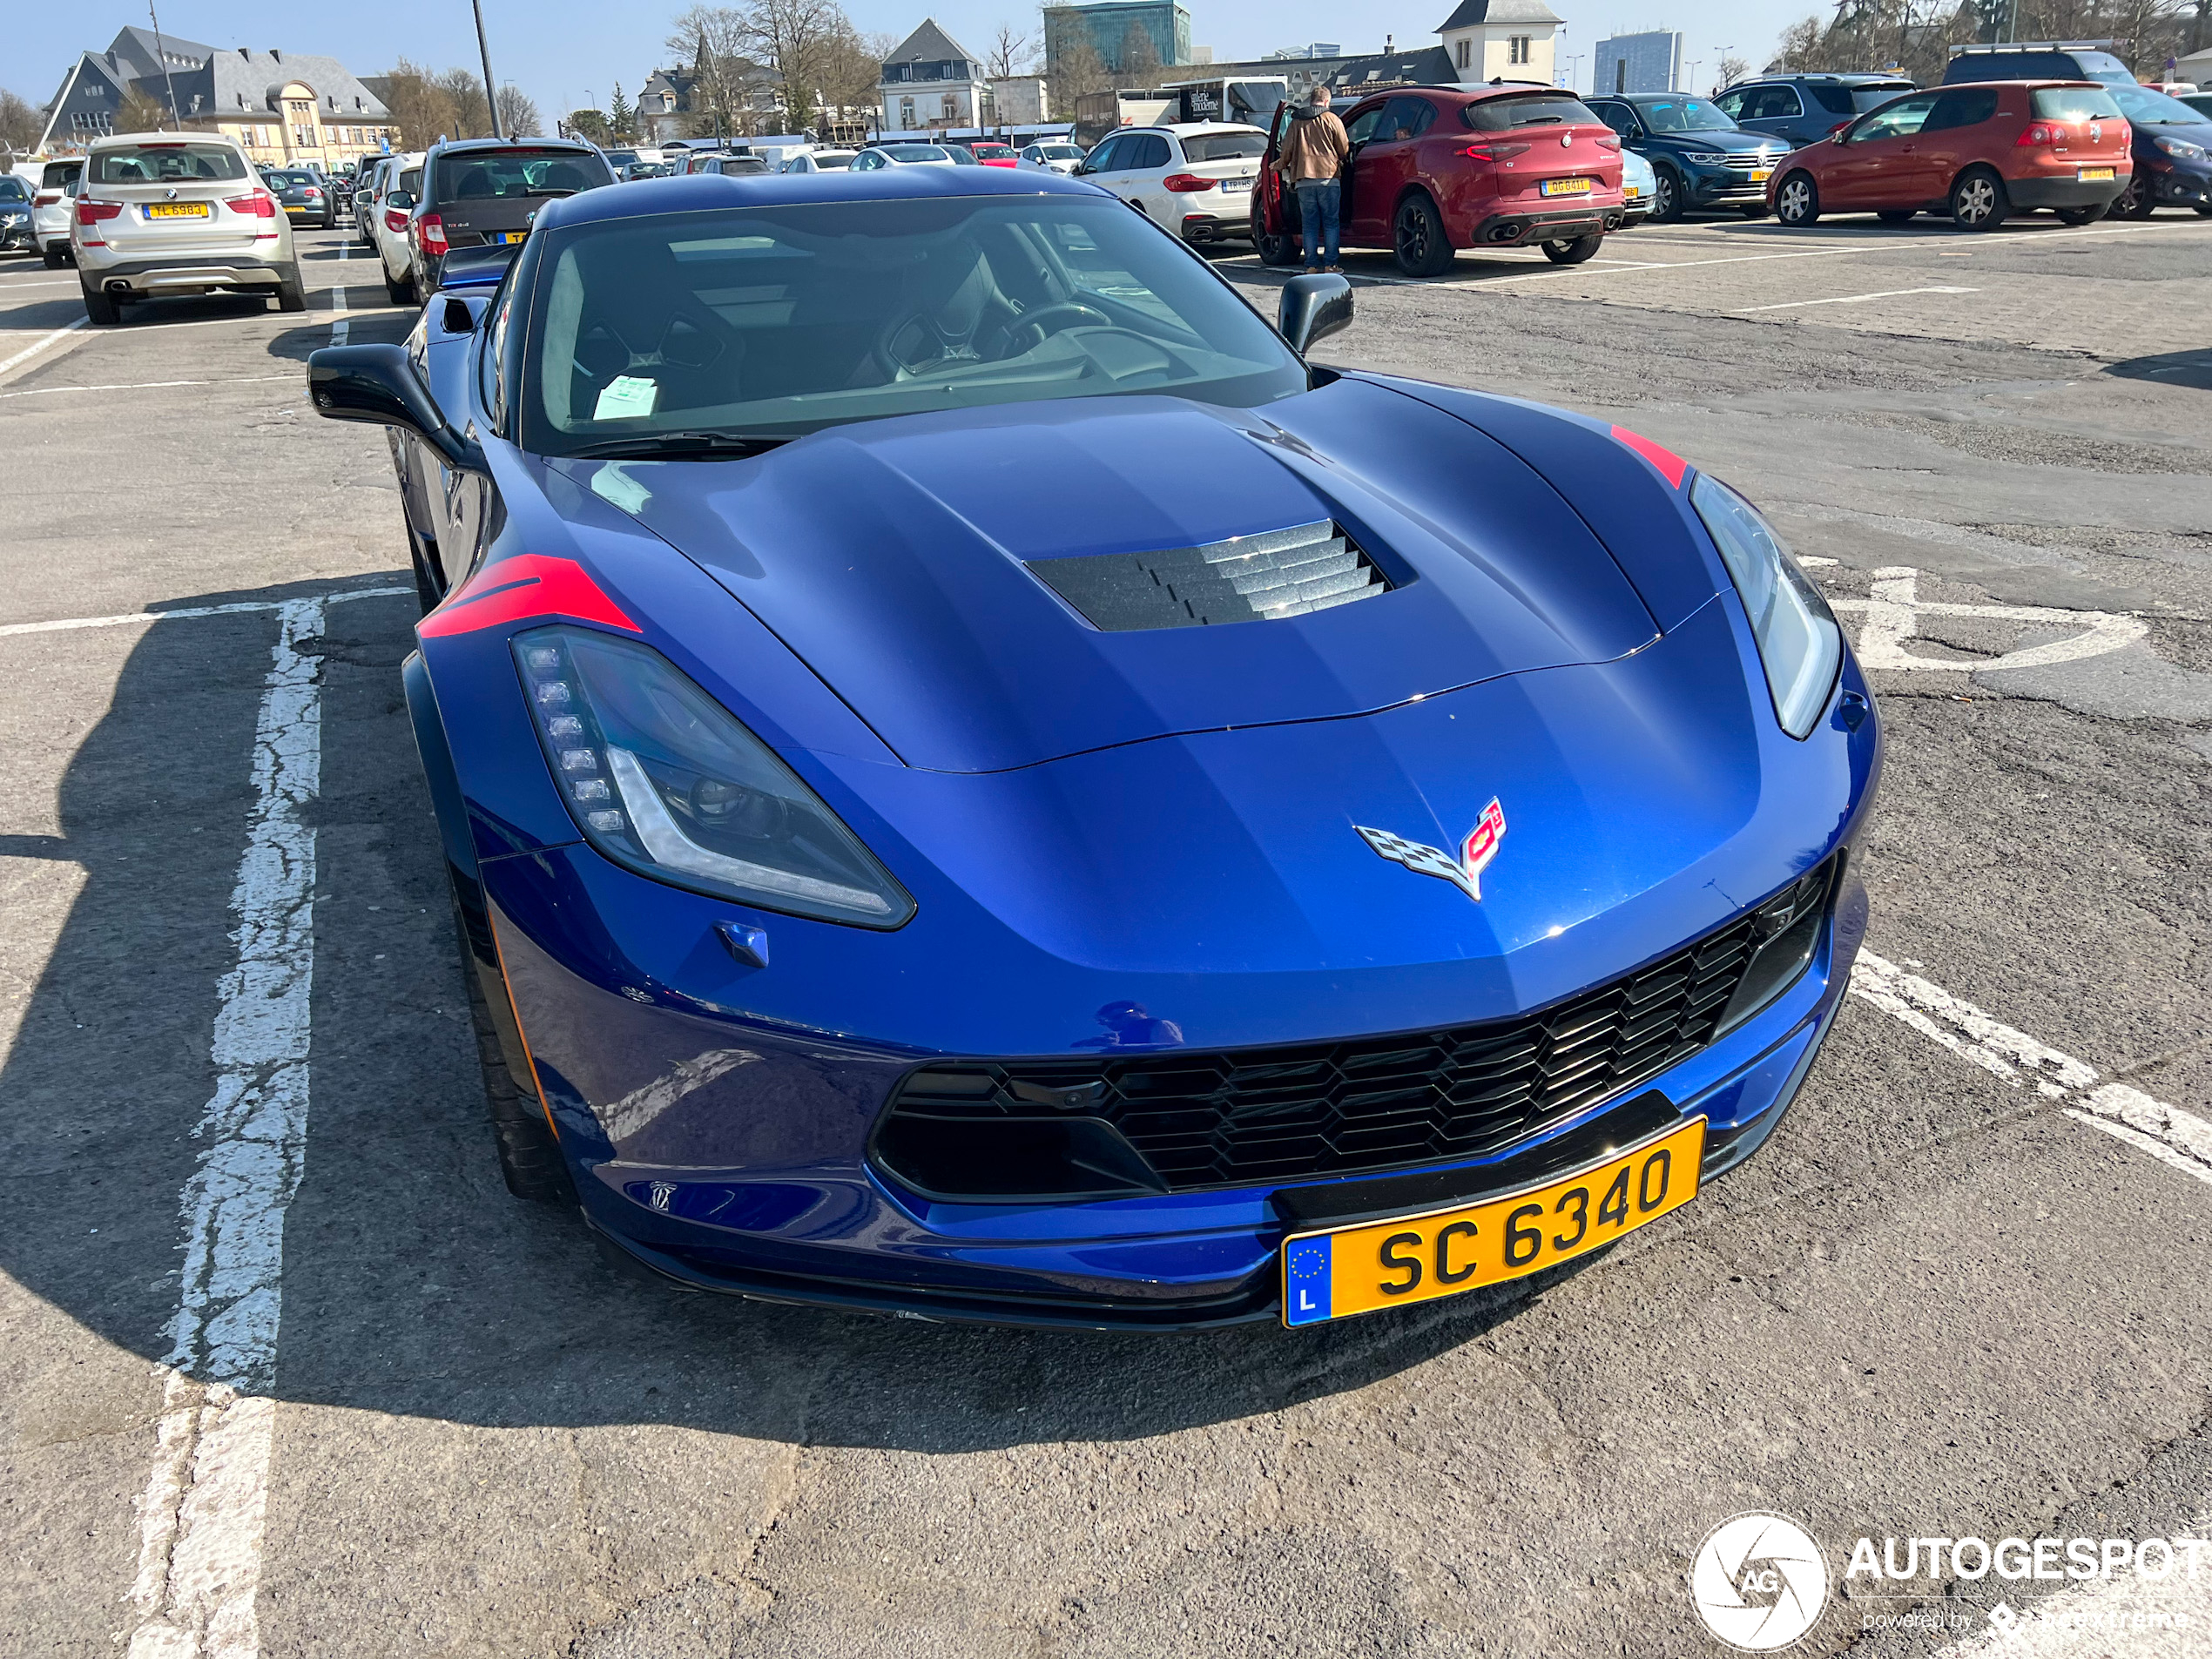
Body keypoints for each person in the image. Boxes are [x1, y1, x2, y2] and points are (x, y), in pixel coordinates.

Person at [1276, 84, 1349, 273]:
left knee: (1309, 224)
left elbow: (1287, 151)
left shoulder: (1296, 122)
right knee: (1331, 222)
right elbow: (1343, 148)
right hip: (1328, 178)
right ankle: (1331, 264)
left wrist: (1278, 165)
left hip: (1303, 180)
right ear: (1326, 101)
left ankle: (1311, 265)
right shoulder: (1332, 119)